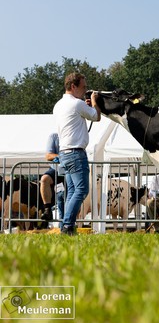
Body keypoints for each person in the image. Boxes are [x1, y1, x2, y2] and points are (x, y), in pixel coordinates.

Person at [53, 72, 101, 235]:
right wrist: (94, 102)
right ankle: (67, 226)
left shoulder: (59, 105)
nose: (85, 90)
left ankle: (67, 226)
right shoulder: (76, 104)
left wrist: (85, 105)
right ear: (73, 86)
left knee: (72, 191)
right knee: (81, 190)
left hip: (64, 153)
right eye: (83, 87)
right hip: (75, 153)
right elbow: (96, 117)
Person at [40, 132, 65, 227]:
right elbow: (48, 155)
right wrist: (63, 157)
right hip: (57, 170)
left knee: (66, 201)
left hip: (71, 171)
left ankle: (67, 227)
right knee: (44, 179)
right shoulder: (54, 136)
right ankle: (47, 209)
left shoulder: (75, 133)